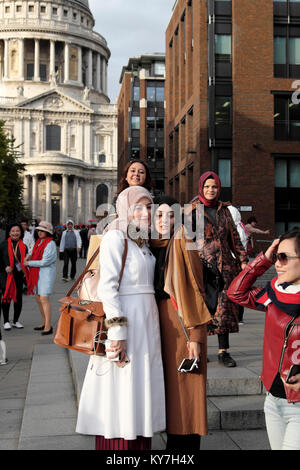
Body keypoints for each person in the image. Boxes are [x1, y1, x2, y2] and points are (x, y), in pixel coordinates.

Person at [76, 186, 165, 450]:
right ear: (125, 208)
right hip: (126, 322)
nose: (146, 212)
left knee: (139, 386)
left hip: (146, 324)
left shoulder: (142, 240)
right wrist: (118, 334)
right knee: (121, 387)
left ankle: (138, 442)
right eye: (139, 206)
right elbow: (108, 288)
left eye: (149, 207)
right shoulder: (115, 237)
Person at [227, 228, 300, 450]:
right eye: (277, 256)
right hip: (273, 401)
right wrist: (263, 259)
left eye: (284, 257)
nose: (278, 263)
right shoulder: (274, 295)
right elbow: (236, 293)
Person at [150, 196, 211, 450]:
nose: (165, 220)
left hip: (183, 321)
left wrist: (195, 335)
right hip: (162, 324)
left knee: (186, 387)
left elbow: (196, 287)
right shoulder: (152, 244)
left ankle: (184, 448)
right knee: (173, 389)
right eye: (160, 215)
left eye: (171, 215)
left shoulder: (184, 240)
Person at [194, 172, 248, 367]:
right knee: (202, 308)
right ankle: (199, 349)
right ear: (201, 187)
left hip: (225, 267)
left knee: (224, 309)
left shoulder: (224, 211)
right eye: (207, 186)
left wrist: (243, 260)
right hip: (202, 268)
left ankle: (223, 352)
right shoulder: (192, 211)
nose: (211, 190)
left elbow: (234, 237)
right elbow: (185, 241)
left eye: (214, 187)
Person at [24, 221, 57, 336]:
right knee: (38, 298)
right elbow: (31, 251)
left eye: (42, 230)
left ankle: (48, 326)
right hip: (37, 273)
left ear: (47, 232)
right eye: (39, 230)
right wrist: (28, 256)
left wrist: (29, 263)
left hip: (46, 274)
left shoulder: (50, 244)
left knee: (44, 299)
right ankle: (44, 322)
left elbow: (45, 261)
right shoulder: (38, 242)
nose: (40, 232)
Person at [0, 223, 29, 330]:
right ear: (9, 233)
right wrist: (5, 267)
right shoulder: (3, 245)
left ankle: (16, 321)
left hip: (18, 275)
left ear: (21, 233)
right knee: (6, 297)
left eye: (17, 231)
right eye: (13, 231)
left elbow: (25, 260)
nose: (15, 233)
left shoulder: (23, 246)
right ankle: (6, 321)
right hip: (6, 275)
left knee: (18, 299)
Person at [228, 205, 248, 325]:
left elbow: (236, 247)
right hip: (237, 263)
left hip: (236, 263)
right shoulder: (240, 227)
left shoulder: (237, 229)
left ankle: (238, 317)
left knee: (236, 290)